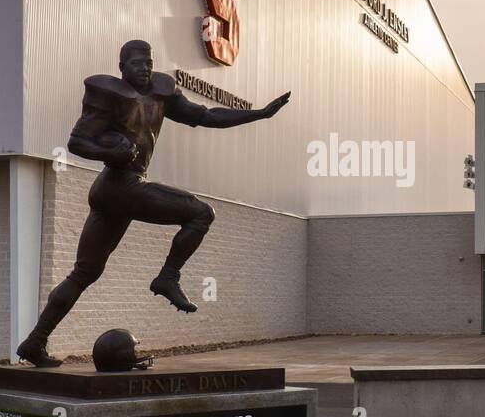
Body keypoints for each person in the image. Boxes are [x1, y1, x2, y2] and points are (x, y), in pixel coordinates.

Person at [16, 39, 291, 368]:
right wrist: (109, 152)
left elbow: (205, 115)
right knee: (201, 214)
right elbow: (76, 142)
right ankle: (168, 277)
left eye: (148, 62)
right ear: (123, 67)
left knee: (83, 274)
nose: (145, 68)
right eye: (137, 63)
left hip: (116, 193)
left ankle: (34, 342)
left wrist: (258, 114)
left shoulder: (161, 93)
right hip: (120, 184)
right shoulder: (109, 95)